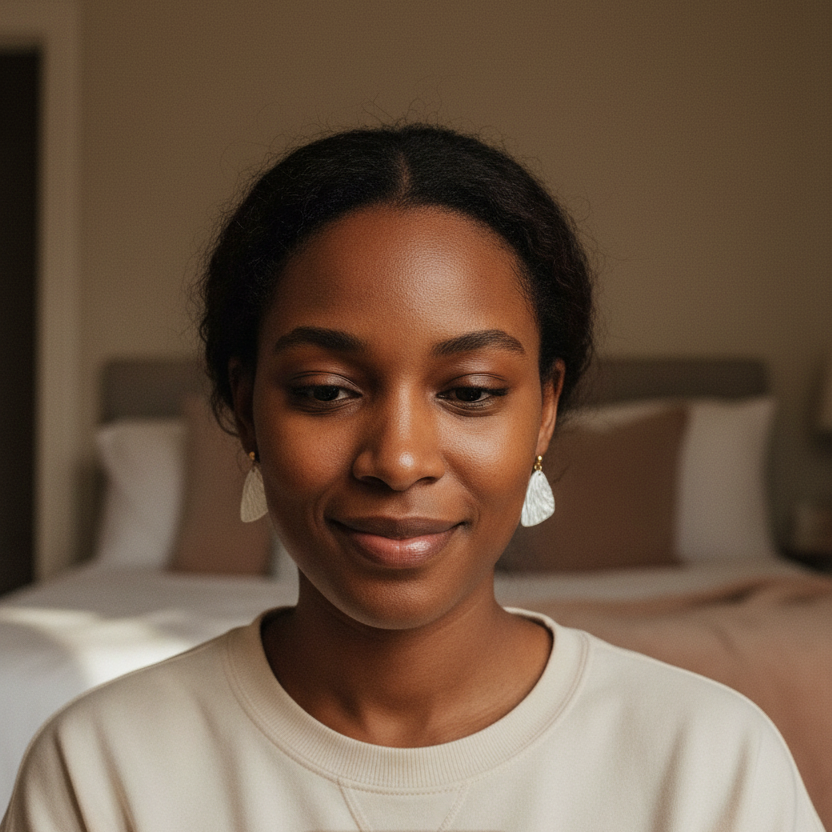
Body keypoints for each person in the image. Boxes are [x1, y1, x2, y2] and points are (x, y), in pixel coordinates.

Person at [2, 125, 822, 831]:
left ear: (543, 411)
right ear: (246, 411)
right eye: (326, 392)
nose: (397, 460)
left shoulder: (710, 760)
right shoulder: (103, 770)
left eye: (469, 393)